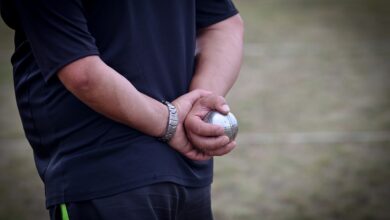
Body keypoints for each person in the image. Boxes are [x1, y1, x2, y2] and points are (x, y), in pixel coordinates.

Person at [0, 0, 243, 219]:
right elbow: (224, 25)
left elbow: (83, 73)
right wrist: (191, 115)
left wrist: (185, 113)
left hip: (100, 171)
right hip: (185, 171)